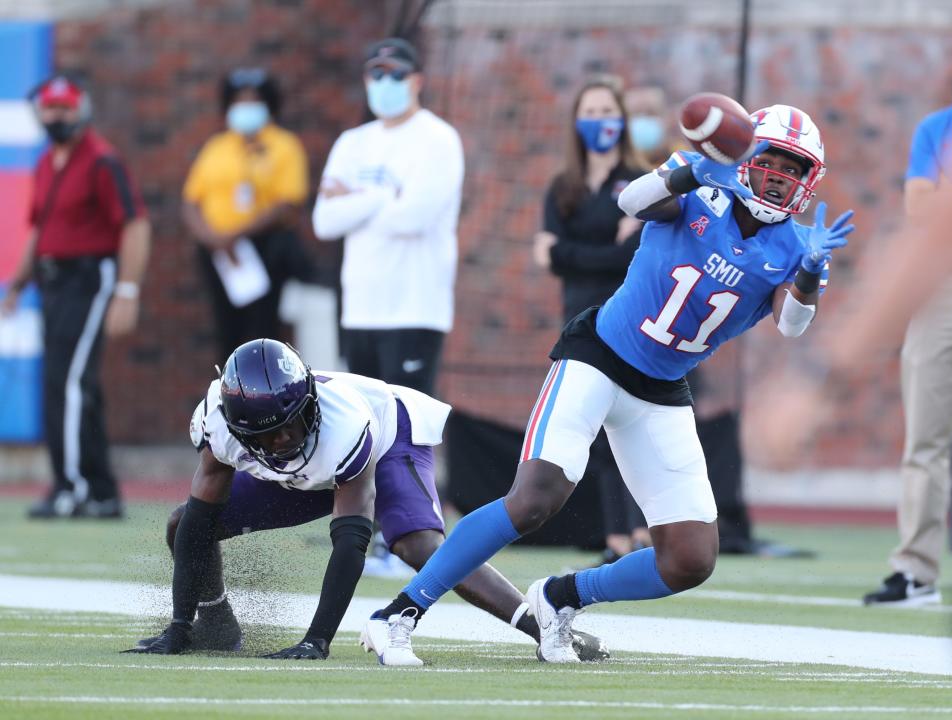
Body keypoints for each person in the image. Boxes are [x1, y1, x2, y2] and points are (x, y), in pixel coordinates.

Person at [361, 104, 855, 666]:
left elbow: (791, 326)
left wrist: (812, 275)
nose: (778, 177)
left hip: (664, 388)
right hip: (600, 355)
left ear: (808, 179)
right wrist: (691, 172)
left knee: (690, 558)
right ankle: (397, 615)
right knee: (534, 498)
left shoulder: (796, 247)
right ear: (745, 155)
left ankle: (560, 597)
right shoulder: (699, 182)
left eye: (793, 168)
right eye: (770, 160)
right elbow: (631, 202)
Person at [126, 339, 606, 664]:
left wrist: (317, 640)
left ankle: (541, 628)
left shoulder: (343, 424)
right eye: (268, 435)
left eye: (290, 426)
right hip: (313, 470)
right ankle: (214, 625)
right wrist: (177, 626)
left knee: (418, 546)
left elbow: (351, 541)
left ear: (309, 402)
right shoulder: (217, 425)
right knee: (183, 522)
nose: (283, 442)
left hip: (388, 436)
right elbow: (201, 519)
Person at [0, 75, 150, 519]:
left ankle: (71, 487)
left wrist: (127, 289)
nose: (57, 116)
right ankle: (101, 489)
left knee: (66, 382)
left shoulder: (102, 160)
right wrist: (18, 283)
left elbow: (135, 223)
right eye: (50, 108)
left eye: (64, 108)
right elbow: (40, 231)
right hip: (53, 282)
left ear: (80, 109)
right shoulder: (48, 162)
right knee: (75, 384)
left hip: (89, 278)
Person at [532, 75, 651, 562]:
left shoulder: (640, 180)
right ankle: (616, 539)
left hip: (630, 314)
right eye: (591, 111)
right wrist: (603, 249)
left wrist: (569, 252)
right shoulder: (564, 186)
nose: (601, 120)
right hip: (581, 322)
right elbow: (547, 256)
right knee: (597, 435)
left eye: (608, 110)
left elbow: (633, 255)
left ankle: (646, 532)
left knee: (635, 426)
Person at [312, 37, 463, 397]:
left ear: (417, 81)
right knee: (365, 426)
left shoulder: (438, 139)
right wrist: (384, 196)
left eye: (396, 73)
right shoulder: (352, 143)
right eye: (376, 74)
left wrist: (354, 199)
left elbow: (412, 219)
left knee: (406, 426)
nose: (386, 83)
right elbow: (325, 221)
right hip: (359, 310)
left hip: (414, 309)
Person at [858, 92, 952, 606]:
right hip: (943, 289)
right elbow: (920, 206)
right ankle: (916, 572)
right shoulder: (938, 127)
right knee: (925, 441)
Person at [182, 67, 311, 364]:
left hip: (264, 248)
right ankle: (230, 394)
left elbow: (288, 202)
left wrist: (234, 235)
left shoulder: (283, 145)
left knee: (263, 330)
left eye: (254, 101)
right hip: (219, 252)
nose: (246, 108)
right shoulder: (217, 147)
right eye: (239, 101)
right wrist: (212, 238)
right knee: (226, 328)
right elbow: (191, 200)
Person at [624, 85, 673, 167]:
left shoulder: (680, 160)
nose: (643, 120)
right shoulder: (617, 167)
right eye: (636, 114)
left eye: (650, 113)